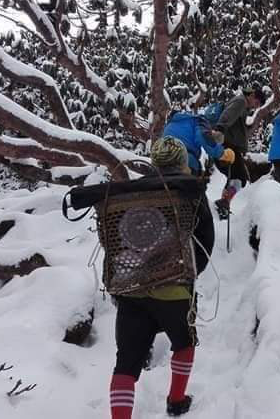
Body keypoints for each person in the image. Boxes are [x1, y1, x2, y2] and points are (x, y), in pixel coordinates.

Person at [109, 136, 214, 418]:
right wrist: (190, 273)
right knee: (184, 343)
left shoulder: (128, 194)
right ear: (183, 162)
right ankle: (176, 400)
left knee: (126, 365)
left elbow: (113, 241)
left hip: (130, 287)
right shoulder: (188, 191)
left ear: (154, 164)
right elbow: (206, 238)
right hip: (175, 287)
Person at [214, 84, 266, 218]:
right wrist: (219, 130)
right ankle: (223, 203)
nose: (256, 106)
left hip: (229, 144)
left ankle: (224, 205)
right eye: (257, 102)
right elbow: (227, 116)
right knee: (240, 177)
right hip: (228, 144)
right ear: (252, 96)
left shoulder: (241, 102)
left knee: (235, 177)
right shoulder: (241, 101)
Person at [163, 110, 235, 176]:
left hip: (164, 162)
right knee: (197, 185)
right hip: (185, 160)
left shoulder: (169, 125)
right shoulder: (198, 120)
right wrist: (222, 154)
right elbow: (203, 137)